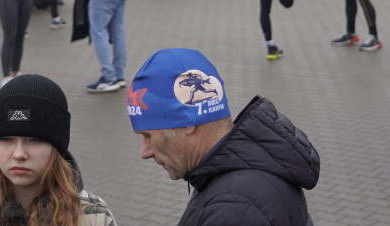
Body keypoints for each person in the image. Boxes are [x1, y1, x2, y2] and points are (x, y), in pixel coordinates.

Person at [128, 48, 319, 224]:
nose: (144, 152)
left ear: (187, 122)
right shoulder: (242, 171)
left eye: (148, 135)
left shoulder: (234, 208)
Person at [0, 74, 117, 226]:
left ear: (56, 147)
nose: (19, 154)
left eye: (34, 140)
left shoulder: (93, 216)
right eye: (7, 139)